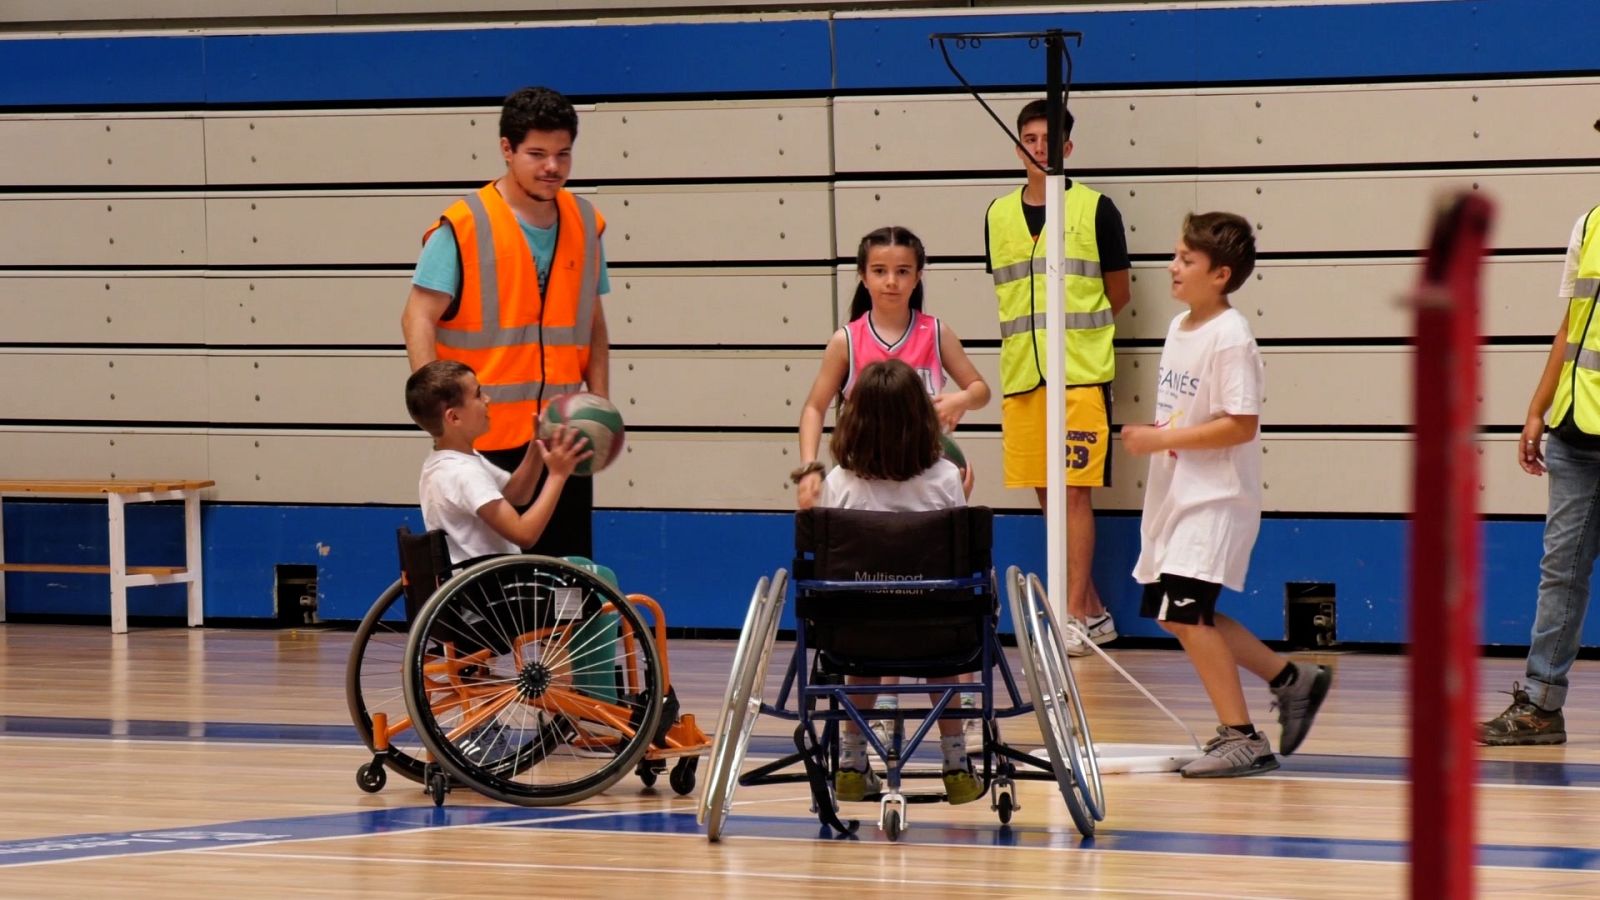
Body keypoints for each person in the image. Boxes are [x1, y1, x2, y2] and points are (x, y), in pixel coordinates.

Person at [1121, 212, 1332, 778]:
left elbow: (1241, 423)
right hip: (1175, 493)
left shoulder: (1231, 338)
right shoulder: (1179, 328)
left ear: (1221, 274)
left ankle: (1242, 738)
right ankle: (1292, 678)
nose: (1173, 266)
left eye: (1186, 260)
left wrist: (1160, 438)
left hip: (1214, 498)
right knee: (1177, 614)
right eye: (1175, 255)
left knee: (1186, 615)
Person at [795, 225, 991, 750]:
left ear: (918, 276)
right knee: (876, 563)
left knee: (918, 557)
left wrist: (959, 402)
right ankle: (894, 703)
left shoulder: (936, 331)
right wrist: (810, 466)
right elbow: (814, 406)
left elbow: (980, 388)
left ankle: (875, 706)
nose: (891, 281)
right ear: (863, 276)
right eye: (880, 271)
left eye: (903, 271)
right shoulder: (848, 339)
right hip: (868, 472)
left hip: (930, 466)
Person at [400, 85, 610, 559]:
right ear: (507, 150)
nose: (552, 167)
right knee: (503, 581)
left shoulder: (585, 221)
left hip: (559, 431)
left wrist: (598, 402)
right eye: (536, 154)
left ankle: (568, 634)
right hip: (485, 432)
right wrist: (441, 413)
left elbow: (594, 323)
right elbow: (417, 317)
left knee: (568, 573)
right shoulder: (465, 224)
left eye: (563, 154)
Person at [985, 100, 1130, 655]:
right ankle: (1092, 612)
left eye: (1049, 139)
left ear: (1068, 147)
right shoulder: (997, 215)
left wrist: (1079, 341)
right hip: (1024, 375)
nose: (1039, 147)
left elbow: (1118, 293)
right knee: (1049, 502)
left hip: (1081, 377)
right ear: (1017, 145)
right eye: (1029, 138)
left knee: (1073, 497)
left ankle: (1072, 615)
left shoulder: (1096, 210)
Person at [816, 359, 983, 805]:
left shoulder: (838, 483)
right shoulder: (947, 478)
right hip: (934, 632)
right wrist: (962, 499)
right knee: (943, 637)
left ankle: (851, 761)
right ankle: (956, 763)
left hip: (857, 636)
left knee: (860, 642)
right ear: (921, 419)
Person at [1479, 204, 1600, 746]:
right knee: (1560, 571)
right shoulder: (1589, 223)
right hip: (1575, 430)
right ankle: (1541, 706)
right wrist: (1537, 408)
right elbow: (1571, 328)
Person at [404, 360, 589, 564]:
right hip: (491, 589)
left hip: (482, 584)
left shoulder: (451, 461)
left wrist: (537, 443)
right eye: (478, 394)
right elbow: (525, 534)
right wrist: (558, 475)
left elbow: (516, 494)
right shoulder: (463, 473)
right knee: (588, 574)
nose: (487, 399)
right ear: (454, 417)